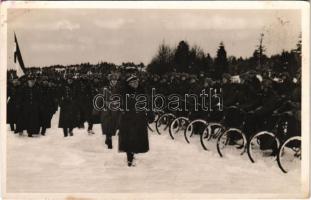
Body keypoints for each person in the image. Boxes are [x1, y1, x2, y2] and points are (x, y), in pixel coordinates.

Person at [118, 74, 154, 167]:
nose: (135, 84)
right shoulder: (124, 93)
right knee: (128, 139)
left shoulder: (142, 91)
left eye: (136, 82)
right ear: (129, 83)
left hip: (140, 119)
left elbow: (148, 104)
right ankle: (129, 158)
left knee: (137, 138)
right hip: (127, 119)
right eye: (133, 82)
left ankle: (133, 154)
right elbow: (118, 104)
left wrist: (150, 115)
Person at [100, 73, 120, 149]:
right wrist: (107, 102)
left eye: (115, 80)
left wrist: (118, 102)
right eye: (113, 80)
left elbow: (120, 97)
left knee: (114, 125)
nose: (114, 82)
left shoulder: (118, 88)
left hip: (115, 109)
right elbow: (101, 98)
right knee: (108, 124)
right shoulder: (105, 89)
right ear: (110, 81)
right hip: (107, 109)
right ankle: (109, 141)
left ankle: (108, 138)